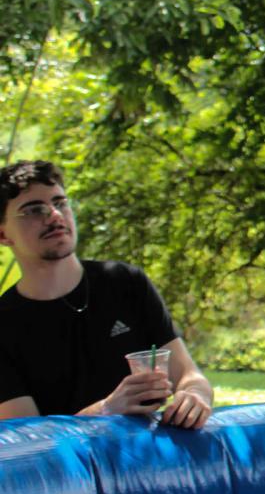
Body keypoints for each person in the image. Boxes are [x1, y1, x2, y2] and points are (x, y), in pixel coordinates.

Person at [0, 160, 213, 427]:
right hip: (72, 457)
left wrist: (194, 395)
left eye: (60, 203)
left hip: (145, 452)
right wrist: (104, 410)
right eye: (33, 210)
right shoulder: (5, 324)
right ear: (3, 234)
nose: (54, 215)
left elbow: (189, 375)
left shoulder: (125, 282)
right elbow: (25, 439)